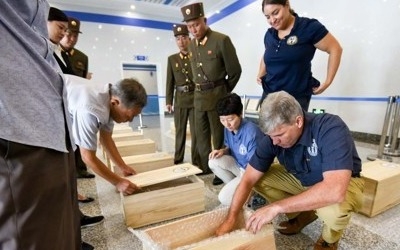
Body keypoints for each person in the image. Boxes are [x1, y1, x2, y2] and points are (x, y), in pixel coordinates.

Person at [216, 91, 364, 250]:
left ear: (298, 121)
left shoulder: (330, 128)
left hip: (341, 183)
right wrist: (231, 218)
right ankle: (302, 215)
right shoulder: (273, 139)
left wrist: (277, 207)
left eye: (280, 134)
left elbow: (335, 190)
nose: (274, 141)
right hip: (302, 178)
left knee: (334, 211)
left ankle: (329, 240)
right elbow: (248, 179)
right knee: (260, 180)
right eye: (270, 136)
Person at [0, 1, 80, 249]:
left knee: (62, 235)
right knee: (32, 236)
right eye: (60, 28)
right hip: (19, 126)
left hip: (50, 128)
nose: (66, 34)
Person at [180, 2, 242, 185]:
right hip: (198, 98)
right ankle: (205, 166)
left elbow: (235, 71)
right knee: (200, 134)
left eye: (197, 24)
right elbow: (194, 73)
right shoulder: (191, 46)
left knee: (218, 135)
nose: (194, 29)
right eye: (190, 27)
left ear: (204, 20)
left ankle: (219, 169)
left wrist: (222, 91)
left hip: (217, 96)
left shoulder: (221, 40)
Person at [64, 74, 147, 196]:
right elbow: (87, 157)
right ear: (115, 102)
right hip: (45, 116)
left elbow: (106, 139)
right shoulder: (90, 110)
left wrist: (122, 166)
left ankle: (70, 195)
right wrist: (118, 182)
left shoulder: (110, 100)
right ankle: (69, 196)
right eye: (130, 115)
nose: (130, 120)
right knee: (60, 159)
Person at [256, 0, 342, 111]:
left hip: (295, 98)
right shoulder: (270, 34)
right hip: (269, 95)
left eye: (276, 13)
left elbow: (335, 49)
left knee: (291, 128)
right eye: (267, 17)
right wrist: (260, 73)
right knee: (266, 128)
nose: (272, 20)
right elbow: (267, 54)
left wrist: (328, 81)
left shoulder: (308, 27)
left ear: (287, 5)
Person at [208, 93, 264, 205]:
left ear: (240, 114)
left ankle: (251, 193)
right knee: (213, 161)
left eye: (230, 119)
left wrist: (246, 184)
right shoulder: (229, 128)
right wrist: (223, 151)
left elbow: (256, 165)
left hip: (252, 171)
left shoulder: (251, 132)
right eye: (222, 120)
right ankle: (240, 191)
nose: (227, 124)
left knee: (223, 198)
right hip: (240, 166)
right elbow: (231, 147)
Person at [60, 16, 95, 179]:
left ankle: (81, 168)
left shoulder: (82, 57)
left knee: (79, 137)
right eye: (69, 33)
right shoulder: (53, 52)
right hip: (60, 103)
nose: (71, 38)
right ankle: (67, 172)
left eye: (75, 35)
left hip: (78, 105)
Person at [166, 24, 200, 166]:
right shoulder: (172, 59)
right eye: (178, 39)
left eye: (184, 38)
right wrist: (169, 101)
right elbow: (170, 81)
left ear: (189, 38)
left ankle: (196, 160)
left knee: (196, 131)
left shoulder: (197, 56)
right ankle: (178, 158)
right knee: (180, 131)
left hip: (195, 99)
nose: (181, 41)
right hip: (179, 99)